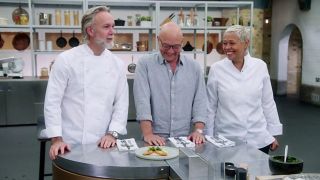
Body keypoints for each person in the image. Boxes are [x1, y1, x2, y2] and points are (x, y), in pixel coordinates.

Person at [43, 6, 129, 160]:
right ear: (90, 31)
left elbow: (121, 104)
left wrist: (112, 134)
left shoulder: (117, 64)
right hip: (69, 143)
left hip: (103, 144)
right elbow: (52, 102)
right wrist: (56, 139)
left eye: (113, 26)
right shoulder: (66, 60)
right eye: (106, 27)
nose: (112, 31)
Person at [206, 25, 282, 154]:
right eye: (224, 43)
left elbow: (268, 102)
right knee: (228, 174)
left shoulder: (260, 67)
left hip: (258, 138)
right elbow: (210, 107)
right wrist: (209, 136)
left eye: (232, 43)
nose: (227, 47)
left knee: (257, 174)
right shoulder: (216, 69)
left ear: (246, 43)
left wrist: (272, 134)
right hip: (226, 139)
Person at [133, 22, 207, 146]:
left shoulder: (194, 67)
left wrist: (198, 131)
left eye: (176, 47)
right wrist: (148, 133)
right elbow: (142, 101)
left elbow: (200, 101)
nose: (171, 51)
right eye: (166, 46)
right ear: (158, 40)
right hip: (154, 138)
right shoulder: (145, 64)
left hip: (185, 139)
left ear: (182, 42)